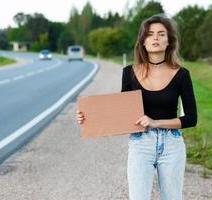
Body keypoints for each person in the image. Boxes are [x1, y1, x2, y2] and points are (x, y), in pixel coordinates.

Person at [77, 14, 197, 200]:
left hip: (172, 145)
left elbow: (191, 118)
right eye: (150, 34)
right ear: (143, 41)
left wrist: (155, 122)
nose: (155, 38)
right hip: (141, 144)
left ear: (169, 41)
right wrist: (89, 117)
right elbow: (120, 113)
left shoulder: (181, 74)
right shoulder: (129, 73)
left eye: (161, 34)